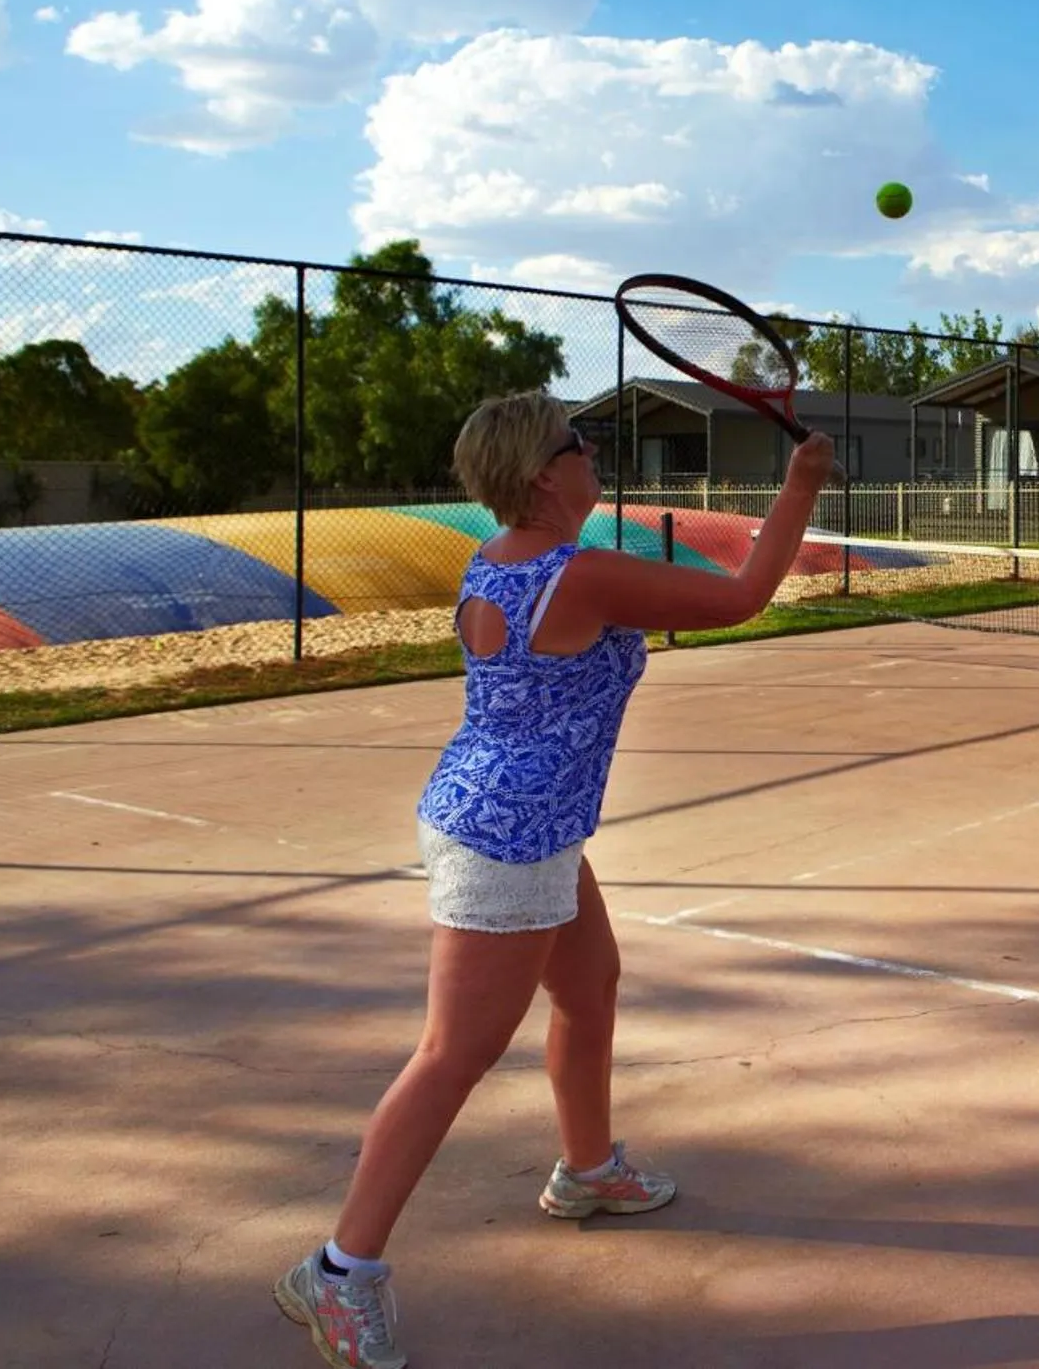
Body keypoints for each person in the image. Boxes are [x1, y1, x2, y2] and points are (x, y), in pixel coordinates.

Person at [274, 392, 836, 1369]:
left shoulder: (498, 558)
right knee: (453, 1054)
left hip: (520, 822)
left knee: (589, 985)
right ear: (545, 473)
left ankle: (586, 1170)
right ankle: (339, 1270)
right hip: (507, 838)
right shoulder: (578, 575)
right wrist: (800, 486)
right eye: (582, 445)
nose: (594, 456)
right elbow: (744, 596)